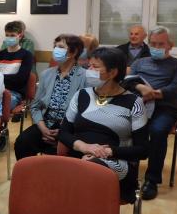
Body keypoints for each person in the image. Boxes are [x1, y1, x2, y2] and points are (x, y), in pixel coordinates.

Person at [59, 47, 148, 205]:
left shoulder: (134, 102)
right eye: (89, 66)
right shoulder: (82, 95)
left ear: (112, 72)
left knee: (87, 172)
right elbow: (63, 132)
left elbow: (142, 150)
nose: (89, 70)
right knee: (54, 176)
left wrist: (106, 152)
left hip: (117, 161)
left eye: (95, 67)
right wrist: (85, 147)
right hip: (79, 156)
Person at [129, 26, 177, 200]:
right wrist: (141, 87)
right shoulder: (139, 63)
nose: (156, 47)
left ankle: (151, 180)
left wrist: (153, 94)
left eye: (161, 44)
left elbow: (176, 88)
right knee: (120, 124)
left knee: (158, 131)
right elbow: (127, 82)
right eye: (153, 44)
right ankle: (128, 173)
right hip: (138, 105)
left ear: (170, 45)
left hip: (164, 107)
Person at [14, 34, 86, 159]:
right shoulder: (46, 74)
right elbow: (35, 106)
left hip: (70, 127)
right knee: (22, 142)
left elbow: (84, 111)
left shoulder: (85, 76)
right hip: (46, 123)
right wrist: (43, 128)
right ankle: (30, 172)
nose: (56, 50)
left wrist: (62, 132)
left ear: (73, 52)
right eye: (55, 47)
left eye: (61, 47)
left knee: (68, 150)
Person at [0, 21, 33, 110]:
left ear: (20, 35)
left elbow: (20, 79)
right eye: (7, 35)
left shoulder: (26, 55)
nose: (9, 38)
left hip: (15, 93)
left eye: (12, 35)